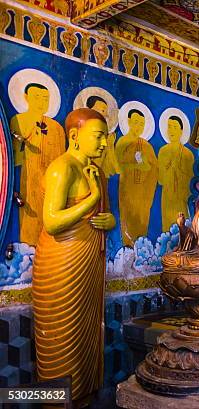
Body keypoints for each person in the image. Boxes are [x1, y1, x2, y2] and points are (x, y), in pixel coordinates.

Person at [32, 108, 115, 404]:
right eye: (99, 136)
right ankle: (57, 401)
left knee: (86, 335)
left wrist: (109, 220)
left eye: (105, 137)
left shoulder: (97, 173)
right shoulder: (62, 168)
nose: (104, 143)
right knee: (61, 339)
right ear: (75, 136)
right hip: (61, 264)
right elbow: (52, 221)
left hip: (88, 262)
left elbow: (101, 215)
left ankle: (84, 396)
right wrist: (92, 198)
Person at [10, 83, 66, 245]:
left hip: (51, 182)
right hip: (28, 177)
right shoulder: (19, 120)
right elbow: (14, 156)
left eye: (45, 98)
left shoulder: (57, 128)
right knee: (29, 214)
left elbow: (61, 160)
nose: (42, 102)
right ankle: (28, 249)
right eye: (37, 97)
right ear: (26, 98)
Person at [115, 109, 158, 246]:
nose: (138, 127)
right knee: (127, 218)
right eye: (135, 122)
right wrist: (135, 165)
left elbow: (153, 169)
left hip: (143, 193)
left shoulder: (146, 146)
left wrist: (144, 165)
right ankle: (127, 246)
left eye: (141, 124)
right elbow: (117, 166)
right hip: (127, 189)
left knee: (142, 219)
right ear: (128, 122)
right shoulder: (122, 142)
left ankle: (140, 249)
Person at [158, 115, 194, 231]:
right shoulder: (163, 151)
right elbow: (160, 179)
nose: (171, 130)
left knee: (183, 228)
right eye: (169, 127)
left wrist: (178, 170)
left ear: (181, 131)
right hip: (167, 197)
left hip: (181, 198)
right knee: (167, 230)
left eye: (174, 127)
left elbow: (191, 182)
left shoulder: (187, 154)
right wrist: (169, 168)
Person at [86, 95, 120, 177]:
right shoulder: (81, 132)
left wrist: (118, 171)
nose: (105, 115)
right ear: (89, 110)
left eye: (106, 112)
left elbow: (111, 160)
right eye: (102, 111)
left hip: (100, 176)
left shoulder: (109, 137)